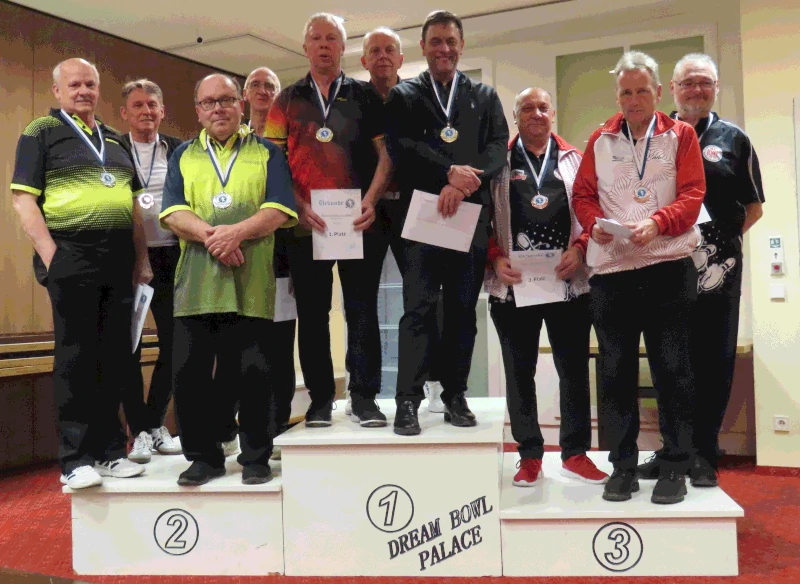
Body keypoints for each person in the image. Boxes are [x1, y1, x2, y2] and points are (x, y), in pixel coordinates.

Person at [572, 51, 705, 505]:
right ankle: (623, 467)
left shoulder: (681, 135)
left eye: (642, 91)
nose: (633, 99)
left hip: (667, 266)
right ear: (617, 96)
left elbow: (693, 193)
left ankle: (675, 467)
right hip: (613, 273)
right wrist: (593, 224)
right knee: (615, 373)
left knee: (673, 370)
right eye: (625, 92)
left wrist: (658, 221)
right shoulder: (600, 139)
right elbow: (583, 195)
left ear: (659, 92)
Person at [10, 58, 148, 488]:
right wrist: (53, 257)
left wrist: (141, 260)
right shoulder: (40, 132)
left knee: (114, 358)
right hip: (71, 256)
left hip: (118, 259)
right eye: (74, 85)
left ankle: (110, 452)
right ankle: (75, 459)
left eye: (90, 83)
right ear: (57, 91)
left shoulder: (116, 139)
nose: (83, 90)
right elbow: (23, 199)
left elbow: (134, 206)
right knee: (76, 358)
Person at [160, 73, 297, 486]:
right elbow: (172, 212)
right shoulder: (182, 155)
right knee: (190, 375)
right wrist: (215, 238)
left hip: (251, 283)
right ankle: (203, 458)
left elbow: (279, 209)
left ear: (241, 104)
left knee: (255, 373)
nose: (218, 108)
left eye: (226, 100)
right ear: (198, 111)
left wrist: (236, 233)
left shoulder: (268, 153)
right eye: (209, 102)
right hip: (196, 285)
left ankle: (255, 457)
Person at [637, 53, 765, 487]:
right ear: (671, 89)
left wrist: (716, 246)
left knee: (713, 363)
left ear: (716, 88)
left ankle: (705, 454)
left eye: (704, 82)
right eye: (688, 82)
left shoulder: (735, 140)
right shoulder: (653, 137)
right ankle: (673, 450)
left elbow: (754, 208)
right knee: (668, 362)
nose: (696, 90)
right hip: (665, 270)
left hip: (718, 276)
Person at [265, 13, 392, 428]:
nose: (324, 45)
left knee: (362, 310)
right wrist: (298, 205)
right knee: (313, 315)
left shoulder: (365, 96)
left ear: (343, 46)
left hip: (359, 223)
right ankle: (321, 401)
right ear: (305, 47)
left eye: (332, 38)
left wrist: (371, 200)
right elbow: (273, 163)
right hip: (307, 226)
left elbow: (386, 156)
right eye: (316, 38)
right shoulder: (285, 100)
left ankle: (364, 398)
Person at [385, 10, 509, 435]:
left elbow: (497, 148)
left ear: (462, 46)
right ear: (422, 47)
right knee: (417, 310)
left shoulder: (484, 96)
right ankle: (408, 401)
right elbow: (401, 147)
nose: (444, 49)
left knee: (461, 312)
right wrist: (447, 174)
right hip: (422, 218)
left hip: (469, 218)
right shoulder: (404, 95)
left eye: (451, 41)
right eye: (436, 41)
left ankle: (455, 395)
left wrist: (465, 181)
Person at [487, 87, 608, 487]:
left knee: (573, 370)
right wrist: (494, 257)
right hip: (513, 286)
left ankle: (575, 454)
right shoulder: (497, 161)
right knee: (519, 372)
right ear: (516, 116)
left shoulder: (576, 159)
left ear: (552, 114)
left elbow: (594, 210)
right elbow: (482, 216)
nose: (536, 113)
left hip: (567, 283)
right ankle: (529, 455)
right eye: (527, 108)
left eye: (542, 107)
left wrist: (581, 247)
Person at [217, 66, 295, 462]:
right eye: (256, 85)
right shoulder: (230, 141)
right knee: (233, 346)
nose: (264, 91)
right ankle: (226, 429)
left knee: (278, 346)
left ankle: (277, 428)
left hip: (281, 257)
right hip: (235, 257)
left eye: (271, 86)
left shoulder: (290, 141)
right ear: (244, 96)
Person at [119, 79, 184, 463]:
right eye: (138, 105)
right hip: (128, 261)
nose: (146, 111)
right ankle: (138, 431)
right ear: (125, 113)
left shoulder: (178, 149)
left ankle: (155, 422)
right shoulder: (114, 149)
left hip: (173, 256)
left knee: (176, 343)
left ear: (162, 111)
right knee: (129, 346)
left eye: (152, 105)